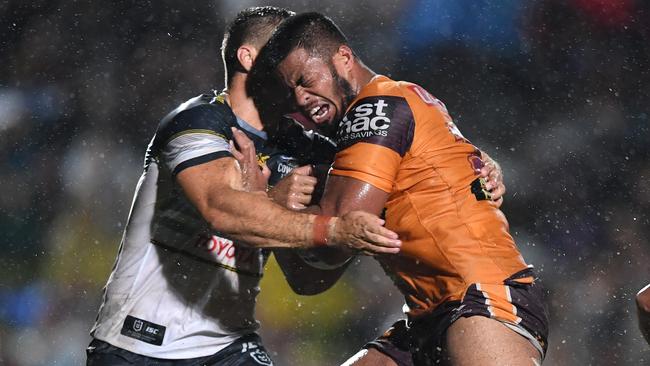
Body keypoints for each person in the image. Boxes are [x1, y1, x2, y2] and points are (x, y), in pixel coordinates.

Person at [85, 7, 403, 366]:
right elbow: (220, 208)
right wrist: (314, 220)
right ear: (247, 57)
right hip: (138, 343)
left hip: (229, 345)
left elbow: (307, 281)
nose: (294, 57)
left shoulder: (303, 147)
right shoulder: (199, 121)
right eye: (281, 46)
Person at [248, 12, 550, 366]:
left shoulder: (377, 109)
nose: (300, 98)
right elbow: (309, 278)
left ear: (343, 58)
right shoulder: (393, 103)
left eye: (305, 79)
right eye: (290, 91)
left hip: (481, 299)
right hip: (430, 315)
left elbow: (339, 231)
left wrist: (262, 207)